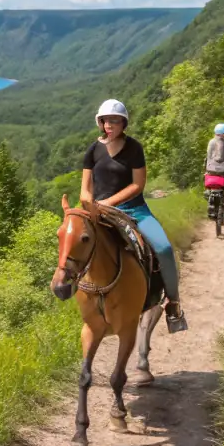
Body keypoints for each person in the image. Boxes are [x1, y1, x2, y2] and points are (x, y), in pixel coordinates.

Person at [80, 99, 188, 333]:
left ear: (123, 123)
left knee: (164, 249)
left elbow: (138, 185)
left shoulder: (134, 148)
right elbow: (85, 188)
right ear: (100, 122)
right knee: (73, 246)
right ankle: (77, 294)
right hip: (100, 212)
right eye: (106, 120)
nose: (110, 124)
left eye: (115, 120)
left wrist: (108, 202)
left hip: (134, 210)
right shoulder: (92, 150)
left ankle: (173, 303)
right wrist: (88, 204)